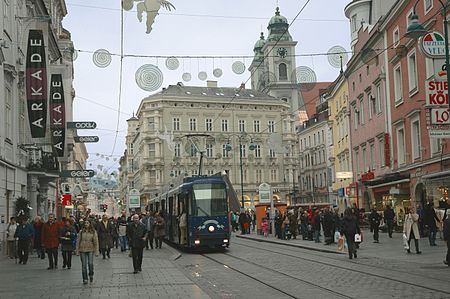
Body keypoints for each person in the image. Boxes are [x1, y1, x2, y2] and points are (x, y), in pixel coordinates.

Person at [75, 220, 99, 284]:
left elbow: (96, 242)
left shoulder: (93, 232)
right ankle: (85, 278)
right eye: (85, 223)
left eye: (87, 223)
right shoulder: (81, 232)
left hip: (90, 249)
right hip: (82, 249)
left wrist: (97, 251)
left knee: (90, 263)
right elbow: (78, 241)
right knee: (84, 265)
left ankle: (91, 274)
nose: (86, 224)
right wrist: (77, 251)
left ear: (90, 224)